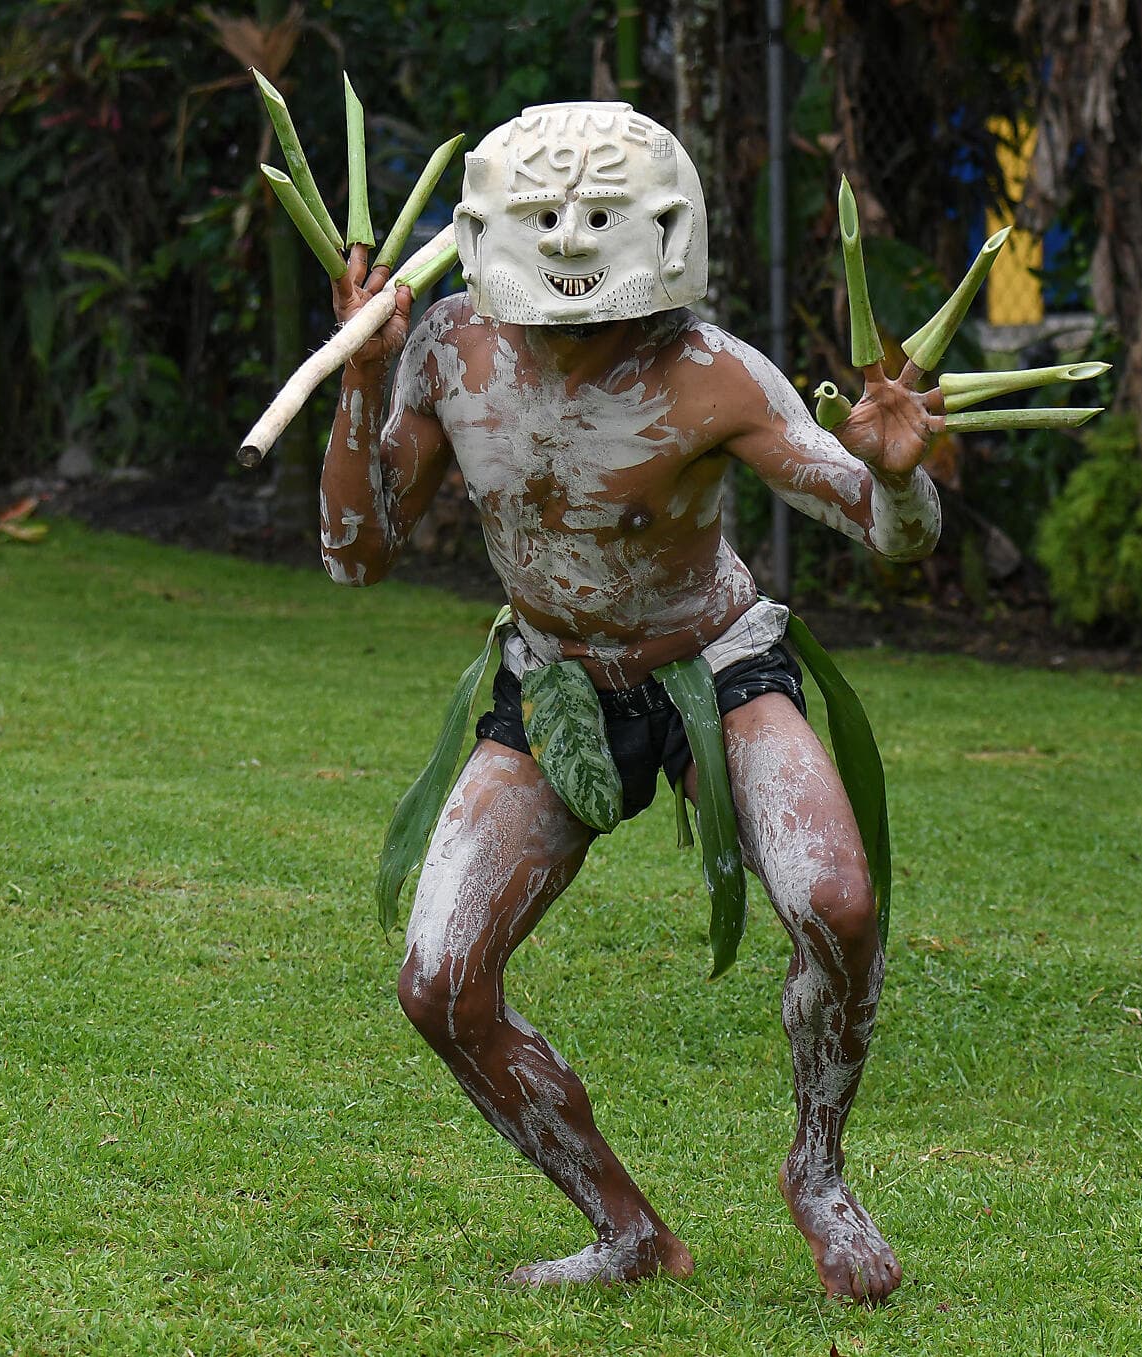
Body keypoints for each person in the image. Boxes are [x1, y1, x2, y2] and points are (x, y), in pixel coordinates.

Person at [317, 103, 941, 1303]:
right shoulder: (448, 348)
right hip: (554, 682)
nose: (566, 240)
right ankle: (626, 1231)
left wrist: (899, 478)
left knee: (839, 904)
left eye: (596, 216)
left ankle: (817, 1170)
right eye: (543, 214)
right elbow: (356, 555)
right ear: (487, 227)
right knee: (439, 984)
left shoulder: (710, 375)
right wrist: (354, 383)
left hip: (713, 665)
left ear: (661, 227)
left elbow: (882, 530)